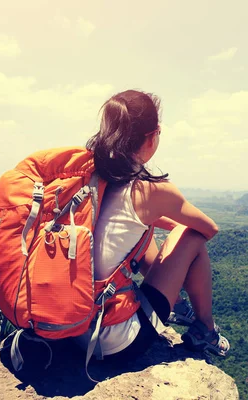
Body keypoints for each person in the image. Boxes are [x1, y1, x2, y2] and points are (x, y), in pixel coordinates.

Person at [81, 89, 230, 361]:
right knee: (191, 234)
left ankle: (178, 306)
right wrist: (178, 239)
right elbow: (209, 229)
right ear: (152, 136)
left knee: (148, 230)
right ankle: (205, 330)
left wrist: (164, 226)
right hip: (116, 341)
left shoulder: (97, 180)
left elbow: (133, 218)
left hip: (75, 329)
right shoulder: (152, 191)